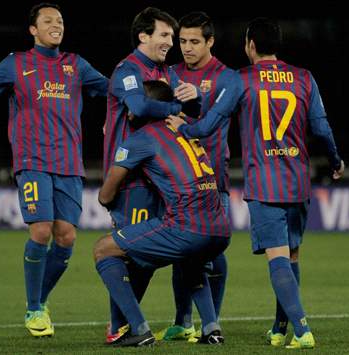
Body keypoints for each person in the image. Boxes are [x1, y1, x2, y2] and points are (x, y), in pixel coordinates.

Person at [167, 17, 345, 349]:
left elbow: (209, 124)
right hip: (297, 180)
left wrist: (183, 128)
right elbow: (321, 129)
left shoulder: (240, 80)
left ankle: (302, 329)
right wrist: (335, 161)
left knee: (277, 257)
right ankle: (280, 329)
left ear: (250, 45)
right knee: (291, 256)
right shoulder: (305, 78)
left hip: (265, 182)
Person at [0, 3, 108, 338]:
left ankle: (40, 302)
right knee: (41, 231)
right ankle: (32, 309)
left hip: (69, 164)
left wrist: (145, 85)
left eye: (60, 20)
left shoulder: (76, 65)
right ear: (33, 29)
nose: (56, 25)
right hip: (33, 162)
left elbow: (113, 88)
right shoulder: (16, 64)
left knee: (67, 237)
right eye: (48, 21)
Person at [95, 80, 230, 347]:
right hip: (220, 227)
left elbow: (105, 195)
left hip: (186, 226)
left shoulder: (141, 139)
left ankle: (139, 329)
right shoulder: (185, 127)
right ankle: (212, 329)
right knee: (191, 260)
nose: (128, 109)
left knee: (103, 249)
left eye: (133, 102)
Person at [102, 7, 201, 343]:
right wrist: (177, 107)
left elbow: (191, 110)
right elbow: (141, 108)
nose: (170, 42)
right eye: (164, 35)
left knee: (144, 254)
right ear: (143, 35)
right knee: (129, 252)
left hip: (161, 175)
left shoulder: (165, 71)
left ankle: (126, 325)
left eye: (171, 37)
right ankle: (120, 327)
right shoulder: (127, 70)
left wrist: (194, 98)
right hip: (131, 177)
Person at [156, 11, 237, 341]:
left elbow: (213, 123)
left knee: (212, 254)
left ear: (210, 42)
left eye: (194, 42)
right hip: (174, 181)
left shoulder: (227, 77)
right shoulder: (170, 73)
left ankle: (211, 321)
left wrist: (189, 117)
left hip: (213, 177)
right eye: (182, 41)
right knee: (181, 253)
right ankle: (183, 320)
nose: (186, 48)